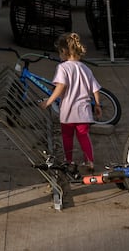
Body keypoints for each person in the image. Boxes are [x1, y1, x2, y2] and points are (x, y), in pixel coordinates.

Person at [39, 33, 102, 173]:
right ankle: (89, 161)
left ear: (63, 51)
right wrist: (97, 105)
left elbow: (61, 86)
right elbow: (95, 89)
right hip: (84, 111)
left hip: (68, 111)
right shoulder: (86, 69)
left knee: (67, 137)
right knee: (83, 136)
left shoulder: (63, 68)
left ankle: (69, 161)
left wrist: (49, 101)